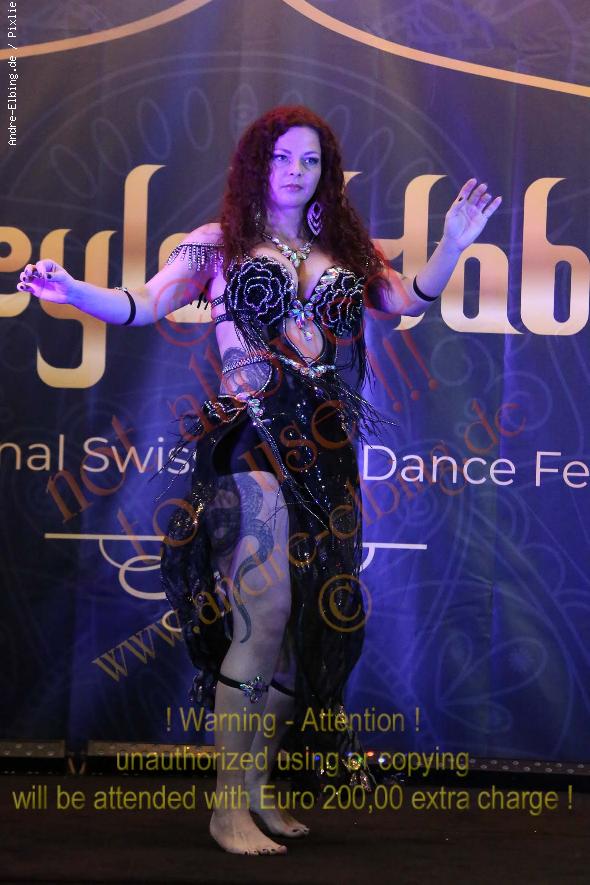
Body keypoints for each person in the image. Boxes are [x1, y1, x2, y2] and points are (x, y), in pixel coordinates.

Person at [17, 105, 501, 855]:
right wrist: (73, 289)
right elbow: (144, 303)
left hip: (327, 454)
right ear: (258, 164)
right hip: (252, 439)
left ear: (326, 172)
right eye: (282, 158)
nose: (296, 172)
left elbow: (406, 299)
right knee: (263, 612)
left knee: (296, 633)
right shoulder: (219, 243)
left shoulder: (349, 247)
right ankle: (225, 807)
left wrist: (454, 246)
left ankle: (255, 789)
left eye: (310, 160)